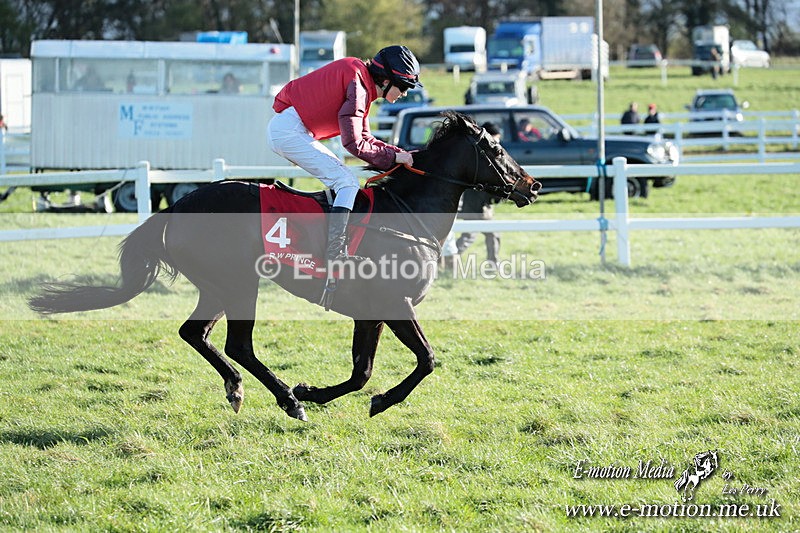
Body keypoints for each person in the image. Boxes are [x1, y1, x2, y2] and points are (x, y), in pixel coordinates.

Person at [268, 45, 420, 298]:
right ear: (385, 80)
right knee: (347, 182)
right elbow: (355, 145)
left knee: (345, 180)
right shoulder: (358, 83)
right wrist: (395, 157)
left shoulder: (360, 81)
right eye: (403, 87)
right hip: (288, 132)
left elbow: (366, 138)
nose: (404, 93)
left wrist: (399, 153)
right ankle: (335, 253)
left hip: (292, 129)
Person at [455, 122, 502, 266]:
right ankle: (450, 257)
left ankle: (449, 257)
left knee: (476, 234)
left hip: (476, 203)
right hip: (479, 205)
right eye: (496, 139)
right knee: (475, 235)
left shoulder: (475, 152)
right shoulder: (485, 155)